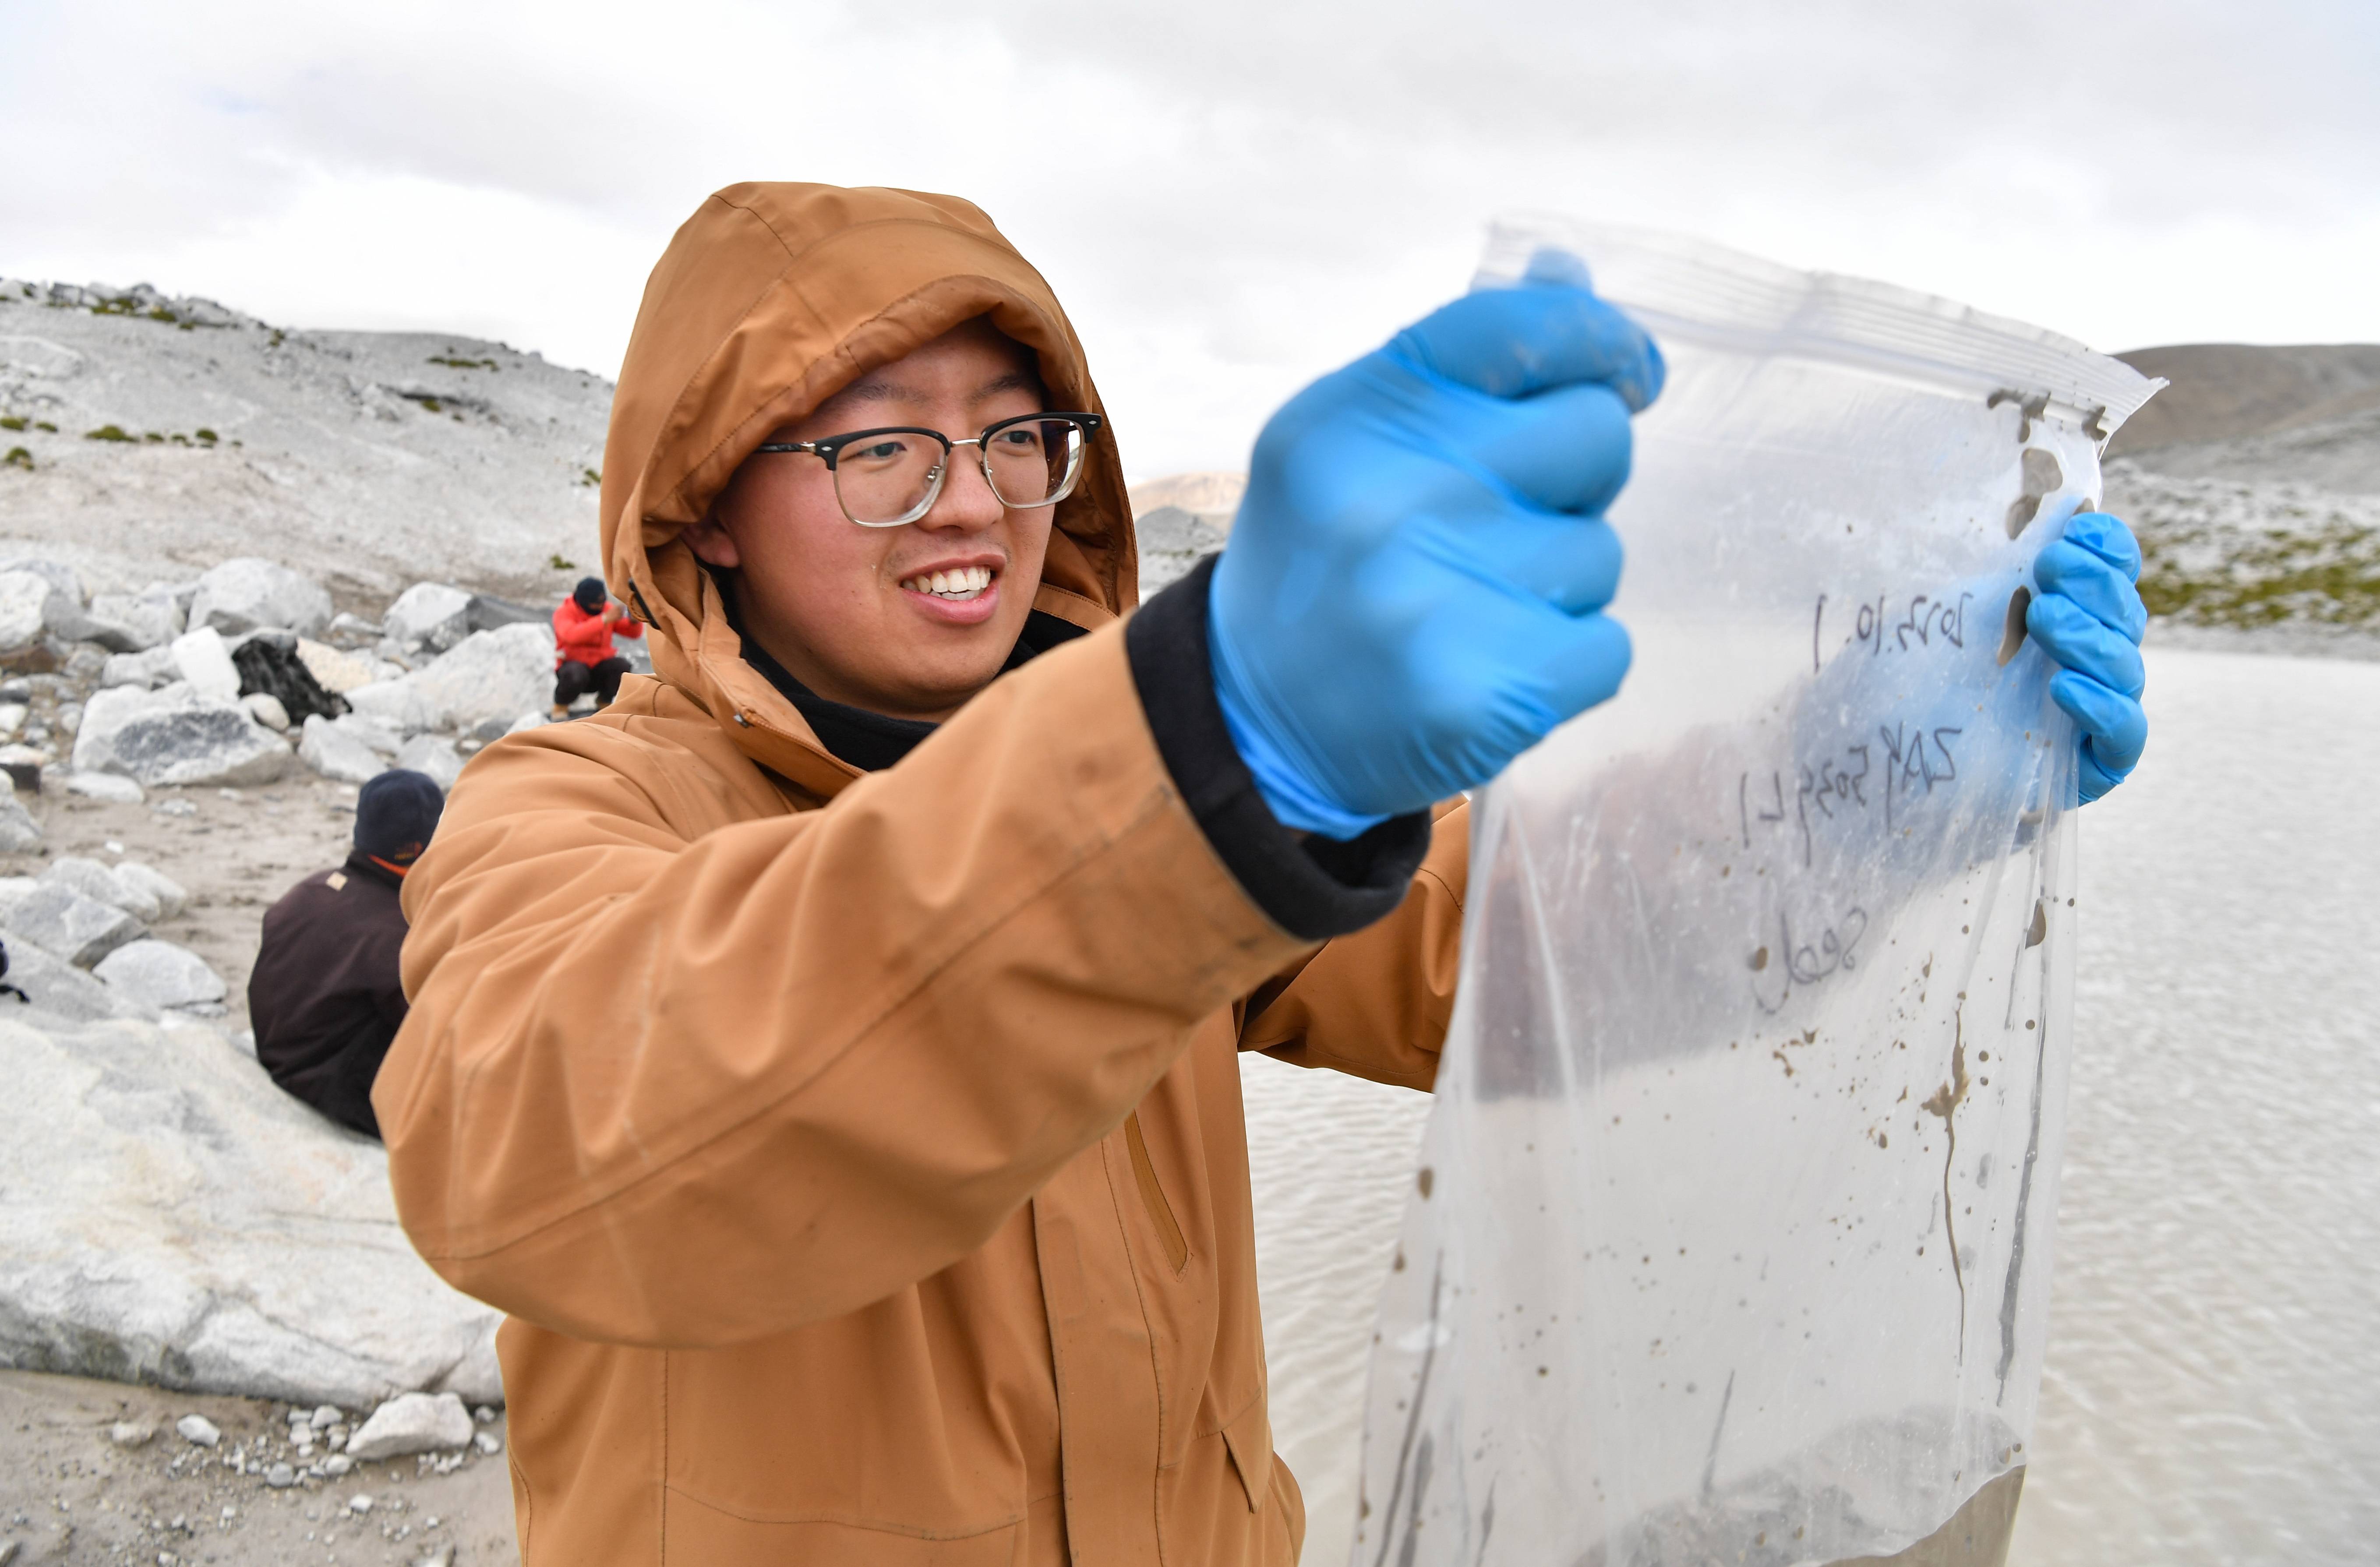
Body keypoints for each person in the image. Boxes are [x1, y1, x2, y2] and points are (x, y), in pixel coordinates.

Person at [376, 185, 2150, 1566]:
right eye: (876, 445)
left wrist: (1875, 767)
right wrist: (1205, 744)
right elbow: (551, 1149)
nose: (972, 501)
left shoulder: (1164, 812)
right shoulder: (574, 810)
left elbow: (1525, 940)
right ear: (700, 508)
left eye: (1013, 434)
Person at [250, 768, 444, 1139]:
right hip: (335, 1090)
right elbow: (438, 1034)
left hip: (277, 1052)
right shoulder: (398, 935)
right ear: (422, 848)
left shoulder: (308, 890)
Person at [550, 574, 643, 718]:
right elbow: (571, 635)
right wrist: (604, 620)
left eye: (602, 603)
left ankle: (604, 702)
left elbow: (633, 634)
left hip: (598, 669)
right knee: (576, 673)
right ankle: (561, 705)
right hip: (574, 670)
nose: (600, 607)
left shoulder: (606, 610)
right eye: (596, 604)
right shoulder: (564, 613)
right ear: (584, 602)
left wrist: (635, 620)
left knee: (622, 666)